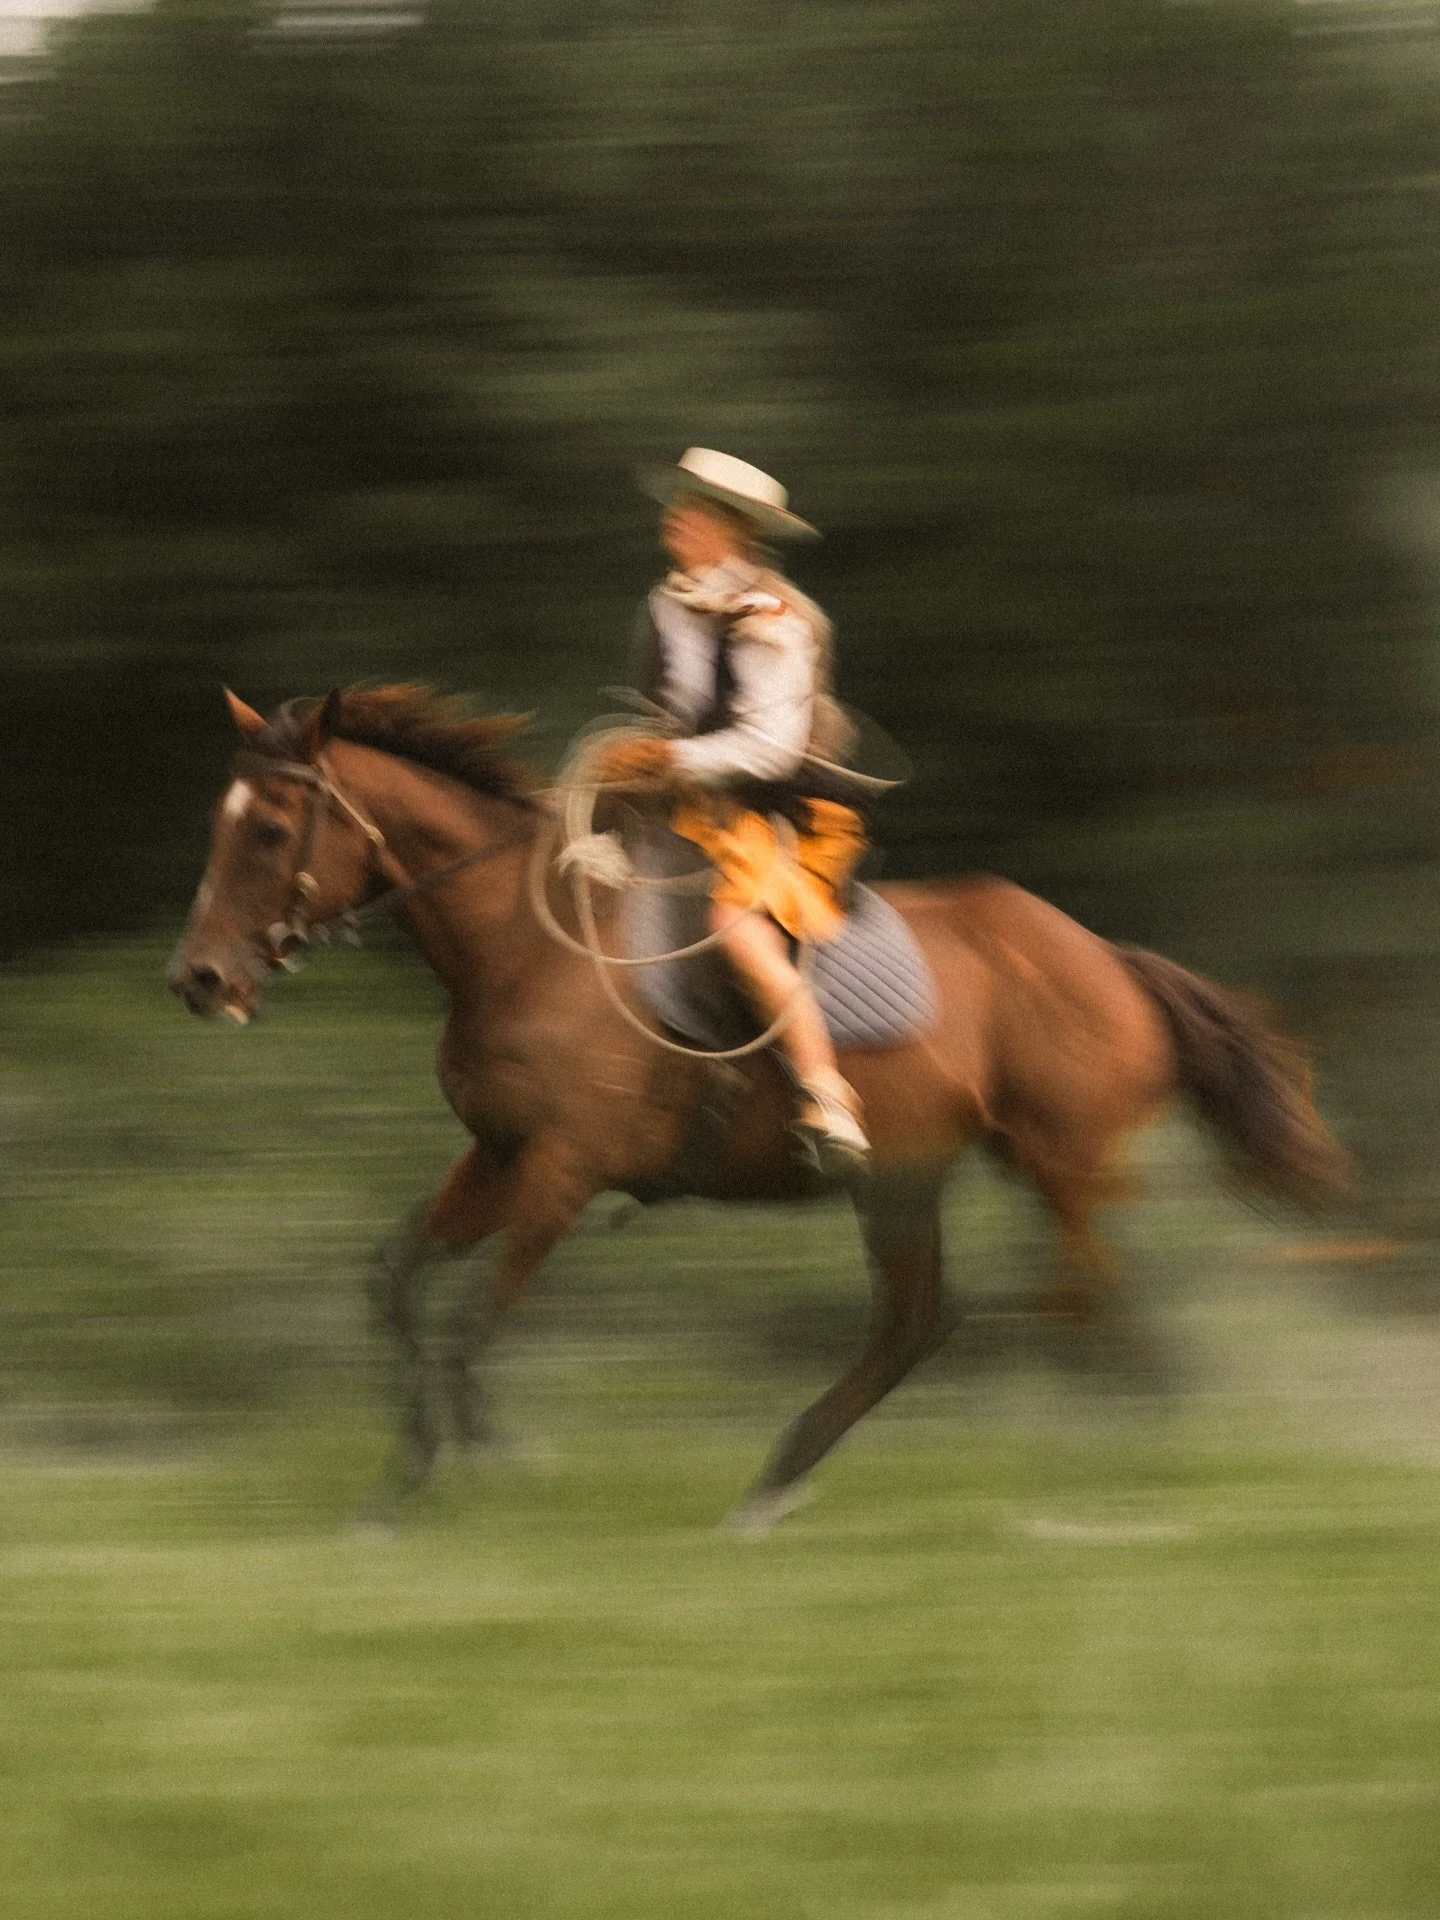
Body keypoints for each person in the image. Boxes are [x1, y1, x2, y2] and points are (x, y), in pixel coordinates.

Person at [595, 447, 872, 1171]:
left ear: (734, 532)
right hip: (686, 803)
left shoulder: (772, 621)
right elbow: (672, 715)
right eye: (677, 506)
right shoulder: (667, 605)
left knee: (735, 930)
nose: (674, 518)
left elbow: (772, 749)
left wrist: (673, 760)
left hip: (772, 814)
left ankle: (828, 1096)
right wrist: (635, 760)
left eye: (693, 510)